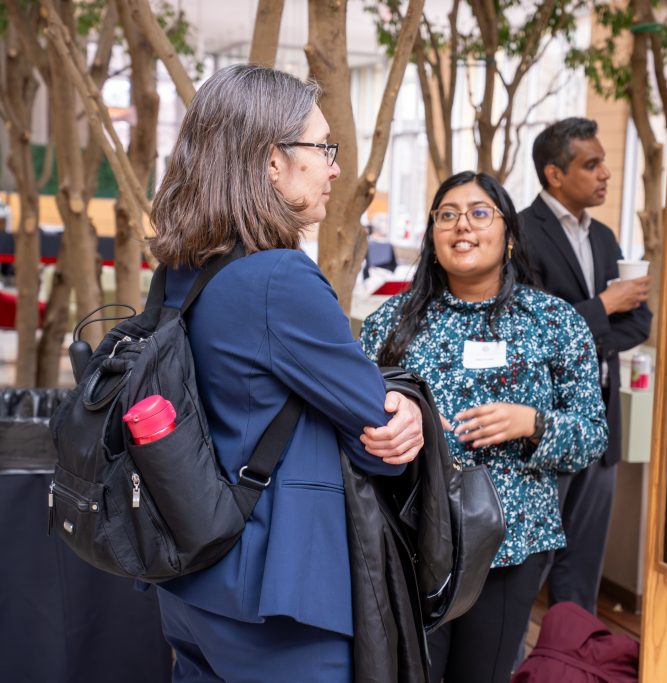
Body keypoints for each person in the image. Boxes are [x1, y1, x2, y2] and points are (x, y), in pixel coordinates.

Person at [147, 65, 425, 683]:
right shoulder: (280, 279)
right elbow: (381, 443)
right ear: (272, 162)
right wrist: (401, 412)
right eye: (322, 148)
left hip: (191, 576)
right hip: (277, 590)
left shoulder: (184, 271)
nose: (334, 167)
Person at [361, 171, 608, 683]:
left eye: (479, 213)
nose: (461, 226)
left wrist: (533, 423)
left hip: (510, 539)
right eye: (446, 215)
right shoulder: (391, 321)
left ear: (509, 234)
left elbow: (591, 437)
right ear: (432, 236)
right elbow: (354, 420)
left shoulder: (554, 321)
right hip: (410, 533)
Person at [518, 117, 652, 614]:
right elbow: (530, 336)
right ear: (555, 174)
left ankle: (571, 664)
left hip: (601, 422)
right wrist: (604, 306)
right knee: (529, 573)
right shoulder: (521, 235)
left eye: (603, 163)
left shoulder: (604, 237)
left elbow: (639, 325)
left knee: (582, 575)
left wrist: (600, 318)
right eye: (590, 164)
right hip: (546, 429)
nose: (605, 174)